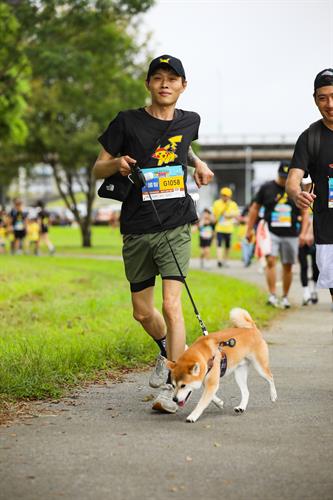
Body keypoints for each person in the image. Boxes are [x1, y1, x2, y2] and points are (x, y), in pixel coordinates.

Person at [93, 55, 214, 413]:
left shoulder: (191, 120)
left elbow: (181, 146)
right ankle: (168, 353)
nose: (165, 84)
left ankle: (174, 389)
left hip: (176, 223)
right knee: (143, 312)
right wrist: (115, 164)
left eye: (172, 79)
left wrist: (199, 162)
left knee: (171, 304)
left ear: (183, 86)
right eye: (158, 78)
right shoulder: (126, 121)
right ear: (148, 84)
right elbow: (97, 167)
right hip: (136, 226)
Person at [286, 68, 333, 312]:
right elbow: (293, 180)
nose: (330, 104)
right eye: (323, 97)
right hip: (329, 230)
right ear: (315, 99)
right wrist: (296, 194)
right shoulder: (310, 137)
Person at [246, 161, 308, 308]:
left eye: (286, 177)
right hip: (270, 232)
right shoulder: (266, 188)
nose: (283, 180)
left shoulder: (296, 189)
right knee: (271, 261)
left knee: (288, 265)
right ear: (277, 174)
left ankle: (285, 297)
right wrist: (248, 229)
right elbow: (255, 208)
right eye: (281, 177)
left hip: (291, 233)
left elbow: (305, 212)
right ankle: (272, 295)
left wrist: (304, 233)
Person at [212, 187, 239, 267]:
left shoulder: (233, 204)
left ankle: (225, 260)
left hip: (229, 229)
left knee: (227, 246)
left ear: (229, 196)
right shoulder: (216, 203)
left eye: (226, 195)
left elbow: (237, 214)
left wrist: (229, 215)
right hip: (219, 228)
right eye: (223, 195)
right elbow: (214, 215)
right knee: (219, 245)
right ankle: (219, 260)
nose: (224, 197)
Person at [298, 211, 319, 305]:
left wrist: (311, 233)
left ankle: (314, 290)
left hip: (317, 236)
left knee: (316, 265)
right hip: (301, 236)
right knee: (304, 265)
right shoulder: (300, 198)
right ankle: (306, 292)